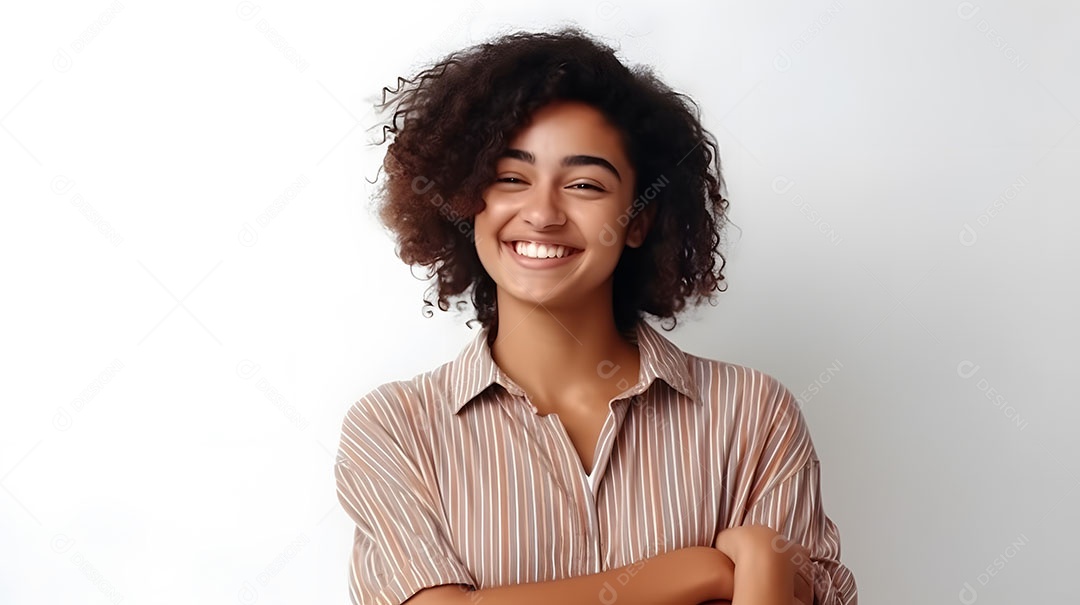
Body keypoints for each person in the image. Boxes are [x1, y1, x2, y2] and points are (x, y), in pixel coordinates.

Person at [333, 27, 858, 605]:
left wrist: (761, 559)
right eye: (511, 177)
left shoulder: (752, 415)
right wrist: (699, 571)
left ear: (638, 220)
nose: (542, 212)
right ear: (464, 199)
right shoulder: (395, 429)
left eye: (584, 184)